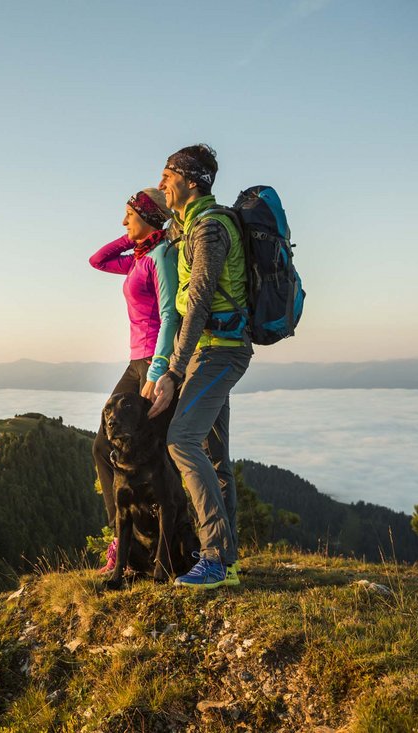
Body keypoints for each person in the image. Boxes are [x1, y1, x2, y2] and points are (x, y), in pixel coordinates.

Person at [149, 144, 251, 589]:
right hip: (213, 349)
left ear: (191, 181)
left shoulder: (209, 229)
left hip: (219, 350)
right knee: (213, 454)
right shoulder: (190, 225)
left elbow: (200, 302)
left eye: (167, 174)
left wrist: (173, 372)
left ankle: (213, 555)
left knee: (181, 440)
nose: (161, 183)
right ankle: (226, 560)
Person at [88, 187, 178, 572]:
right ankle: (119, 542)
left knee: (161, 456)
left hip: (154, 362)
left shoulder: (160, 256)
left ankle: (171, 549)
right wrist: (134, 235)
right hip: (134, 361)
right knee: (102, 445)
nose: (123, 222)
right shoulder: (139, 257)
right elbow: (98, 260)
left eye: (129, 215)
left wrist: (159, 372)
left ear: (148, 216)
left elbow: (171, 315)